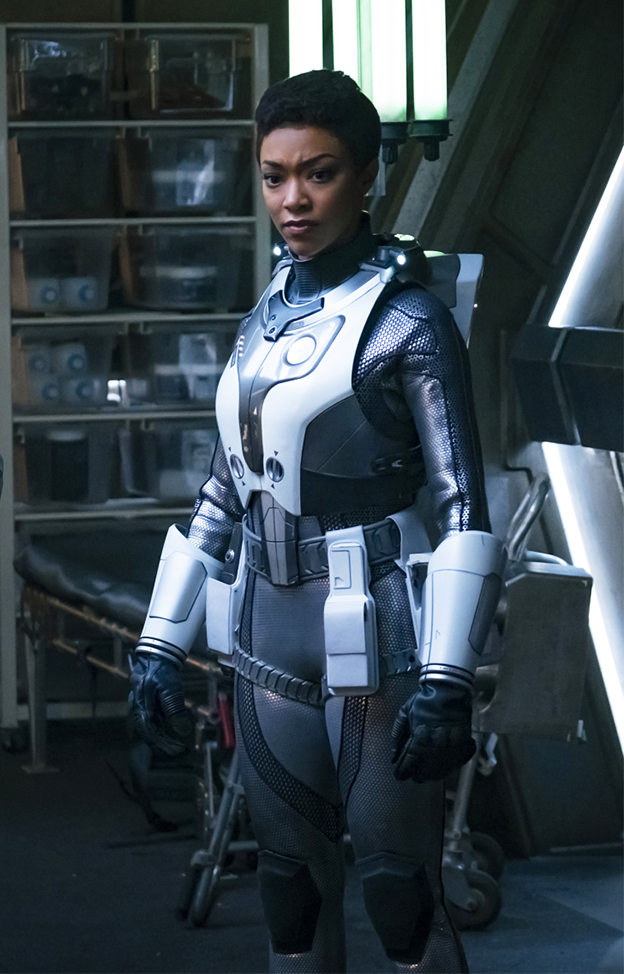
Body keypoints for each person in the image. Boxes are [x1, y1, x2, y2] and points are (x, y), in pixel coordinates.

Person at [128, 69, 490, 972]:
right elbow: (225, 489)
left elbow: (460, 503)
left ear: (366, 177)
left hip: (379, 624)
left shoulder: (408, 320)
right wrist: (159, 644)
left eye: (319, 173)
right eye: (274, 175)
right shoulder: (264, 314)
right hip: (266, 630)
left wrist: (448, 678)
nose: (293, 199)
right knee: (289, 892)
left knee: (399, 892)